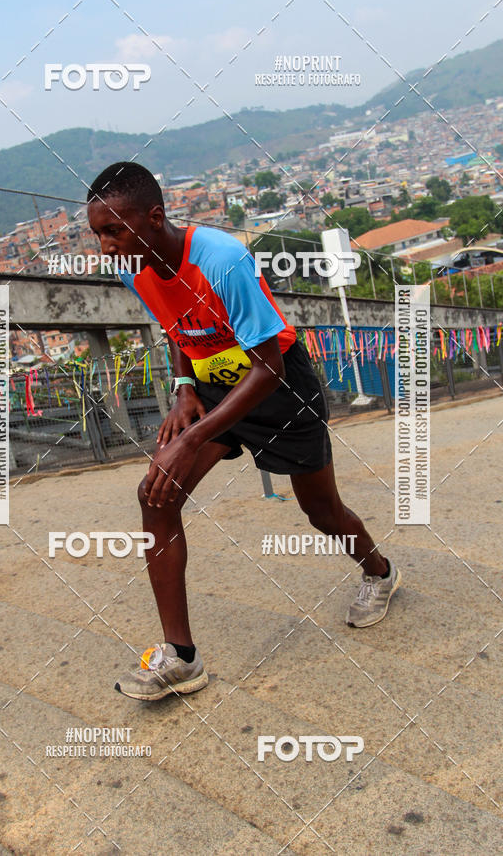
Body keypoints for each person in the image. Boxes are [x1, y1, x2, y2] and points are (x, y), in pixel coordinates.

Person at [86, 161, 401, 702]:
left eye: (114, 230)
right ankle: (181, 658)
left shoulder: (223, 259)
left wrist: (187, 439)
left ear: (154, 217)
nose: (105, 246)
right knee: (155, 496)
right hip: (213, 387)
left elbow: (269, 367)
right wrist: (184, 388)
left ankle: (380, 571)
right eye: (96, 234)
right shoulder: (134, 268)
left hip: (277, 384)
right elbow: (177, 329)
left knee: (321, 512)